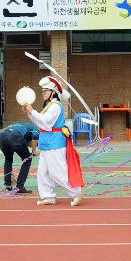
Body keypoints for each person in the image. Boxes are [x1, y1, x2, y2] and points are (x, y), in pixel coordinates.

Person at [23, 77, 83, 206]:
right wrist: (30, 113)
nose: (43, 93)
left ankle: (76, 193)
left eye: (45, 91)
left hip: (55, 144)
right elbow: (41, 124)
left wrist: (32, 111)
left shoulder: (56, 106)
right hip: (47, 143)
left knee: (58, 172)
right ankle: (48, 196)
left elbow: (45, 122)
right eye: (43, 91)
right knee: (43, 172)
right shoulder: (50, 106)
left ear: (53, 92)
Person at [0, 122, 39, 194]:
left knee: (8, 159)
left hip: (1, 136)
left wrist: (10, 174)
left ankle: (8, 186)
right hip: (14, 135)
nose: (30, 146)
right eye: (34, 144)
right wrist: (34, 150)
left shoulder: (22, 126)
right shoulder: (35, 128)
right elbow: (35, 136)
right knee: (27, 160)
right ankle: (20, 187)